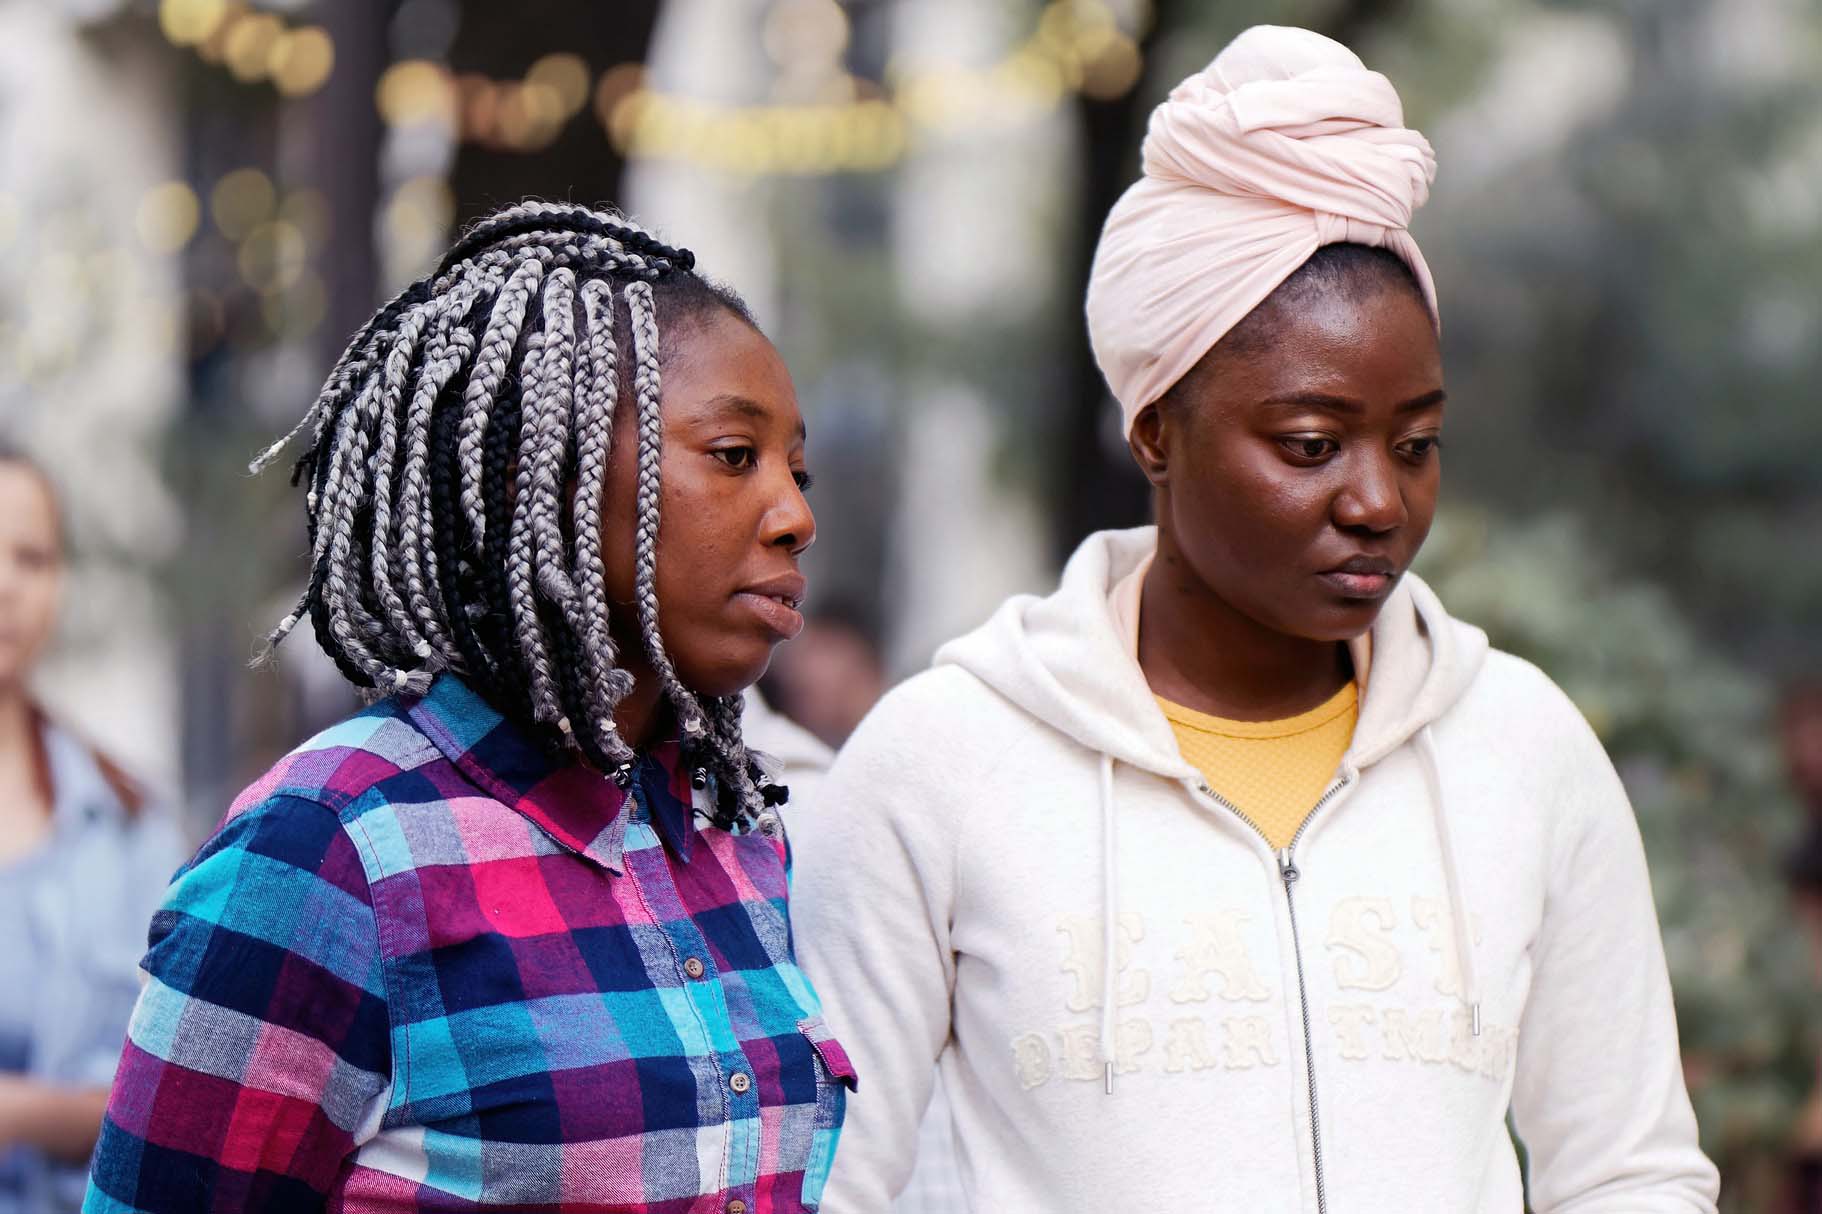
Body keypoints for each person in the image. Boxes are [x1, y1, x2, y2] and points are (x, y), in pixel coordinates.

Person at [792, 26, 1719, 1212]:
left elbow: (1627, 1170)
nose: (1378, 499)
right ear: (1154, 432)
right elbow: (827, 1185)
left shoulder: (1521, 750)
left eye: (1416, 443)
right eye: (1310, 445)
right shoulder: (938, 767)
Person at [85, 202, 854, 1213]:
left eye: (796, 468)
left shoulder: (736, 832)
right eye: (731, 454)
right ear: (541, 465)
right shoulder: (329, 850)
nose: (795, 513)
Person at [0, 444, 183, 1214]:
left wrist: (18, 1112)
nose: (5, 586)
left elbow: (174, 1085)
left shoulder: (132, 822)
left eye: (33, 558)